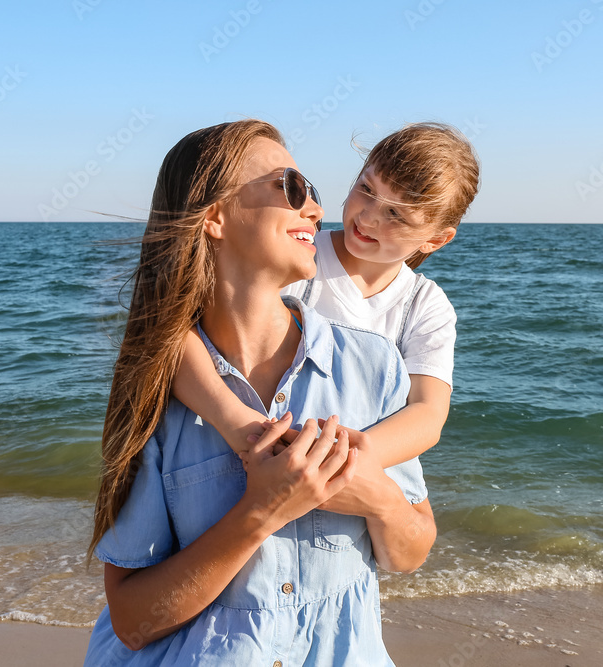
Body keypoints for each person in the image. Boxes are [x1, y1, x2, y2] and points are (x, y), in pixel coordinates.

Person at [84, 120, 436, 666]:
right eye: (289, 187)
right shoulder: (159, 385)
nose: (317, 210)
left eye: (313, 192)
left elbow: (410, 551)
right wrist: (261, 511)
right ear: (215, 216)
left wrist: (375, 493)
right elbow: (133, 623)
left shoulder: (374, 364)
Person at [172, 122, 481, 469]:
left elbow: (427, 413)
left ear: (435, 240)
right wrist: (235, 421)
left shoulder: (424, 305)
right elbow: (175, 339)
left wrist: (339, 464)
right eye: (366, 188)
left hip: (347, 474)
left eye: (395, 214)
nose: (367, 216)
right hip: (256, 448)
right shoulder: (296, 255)